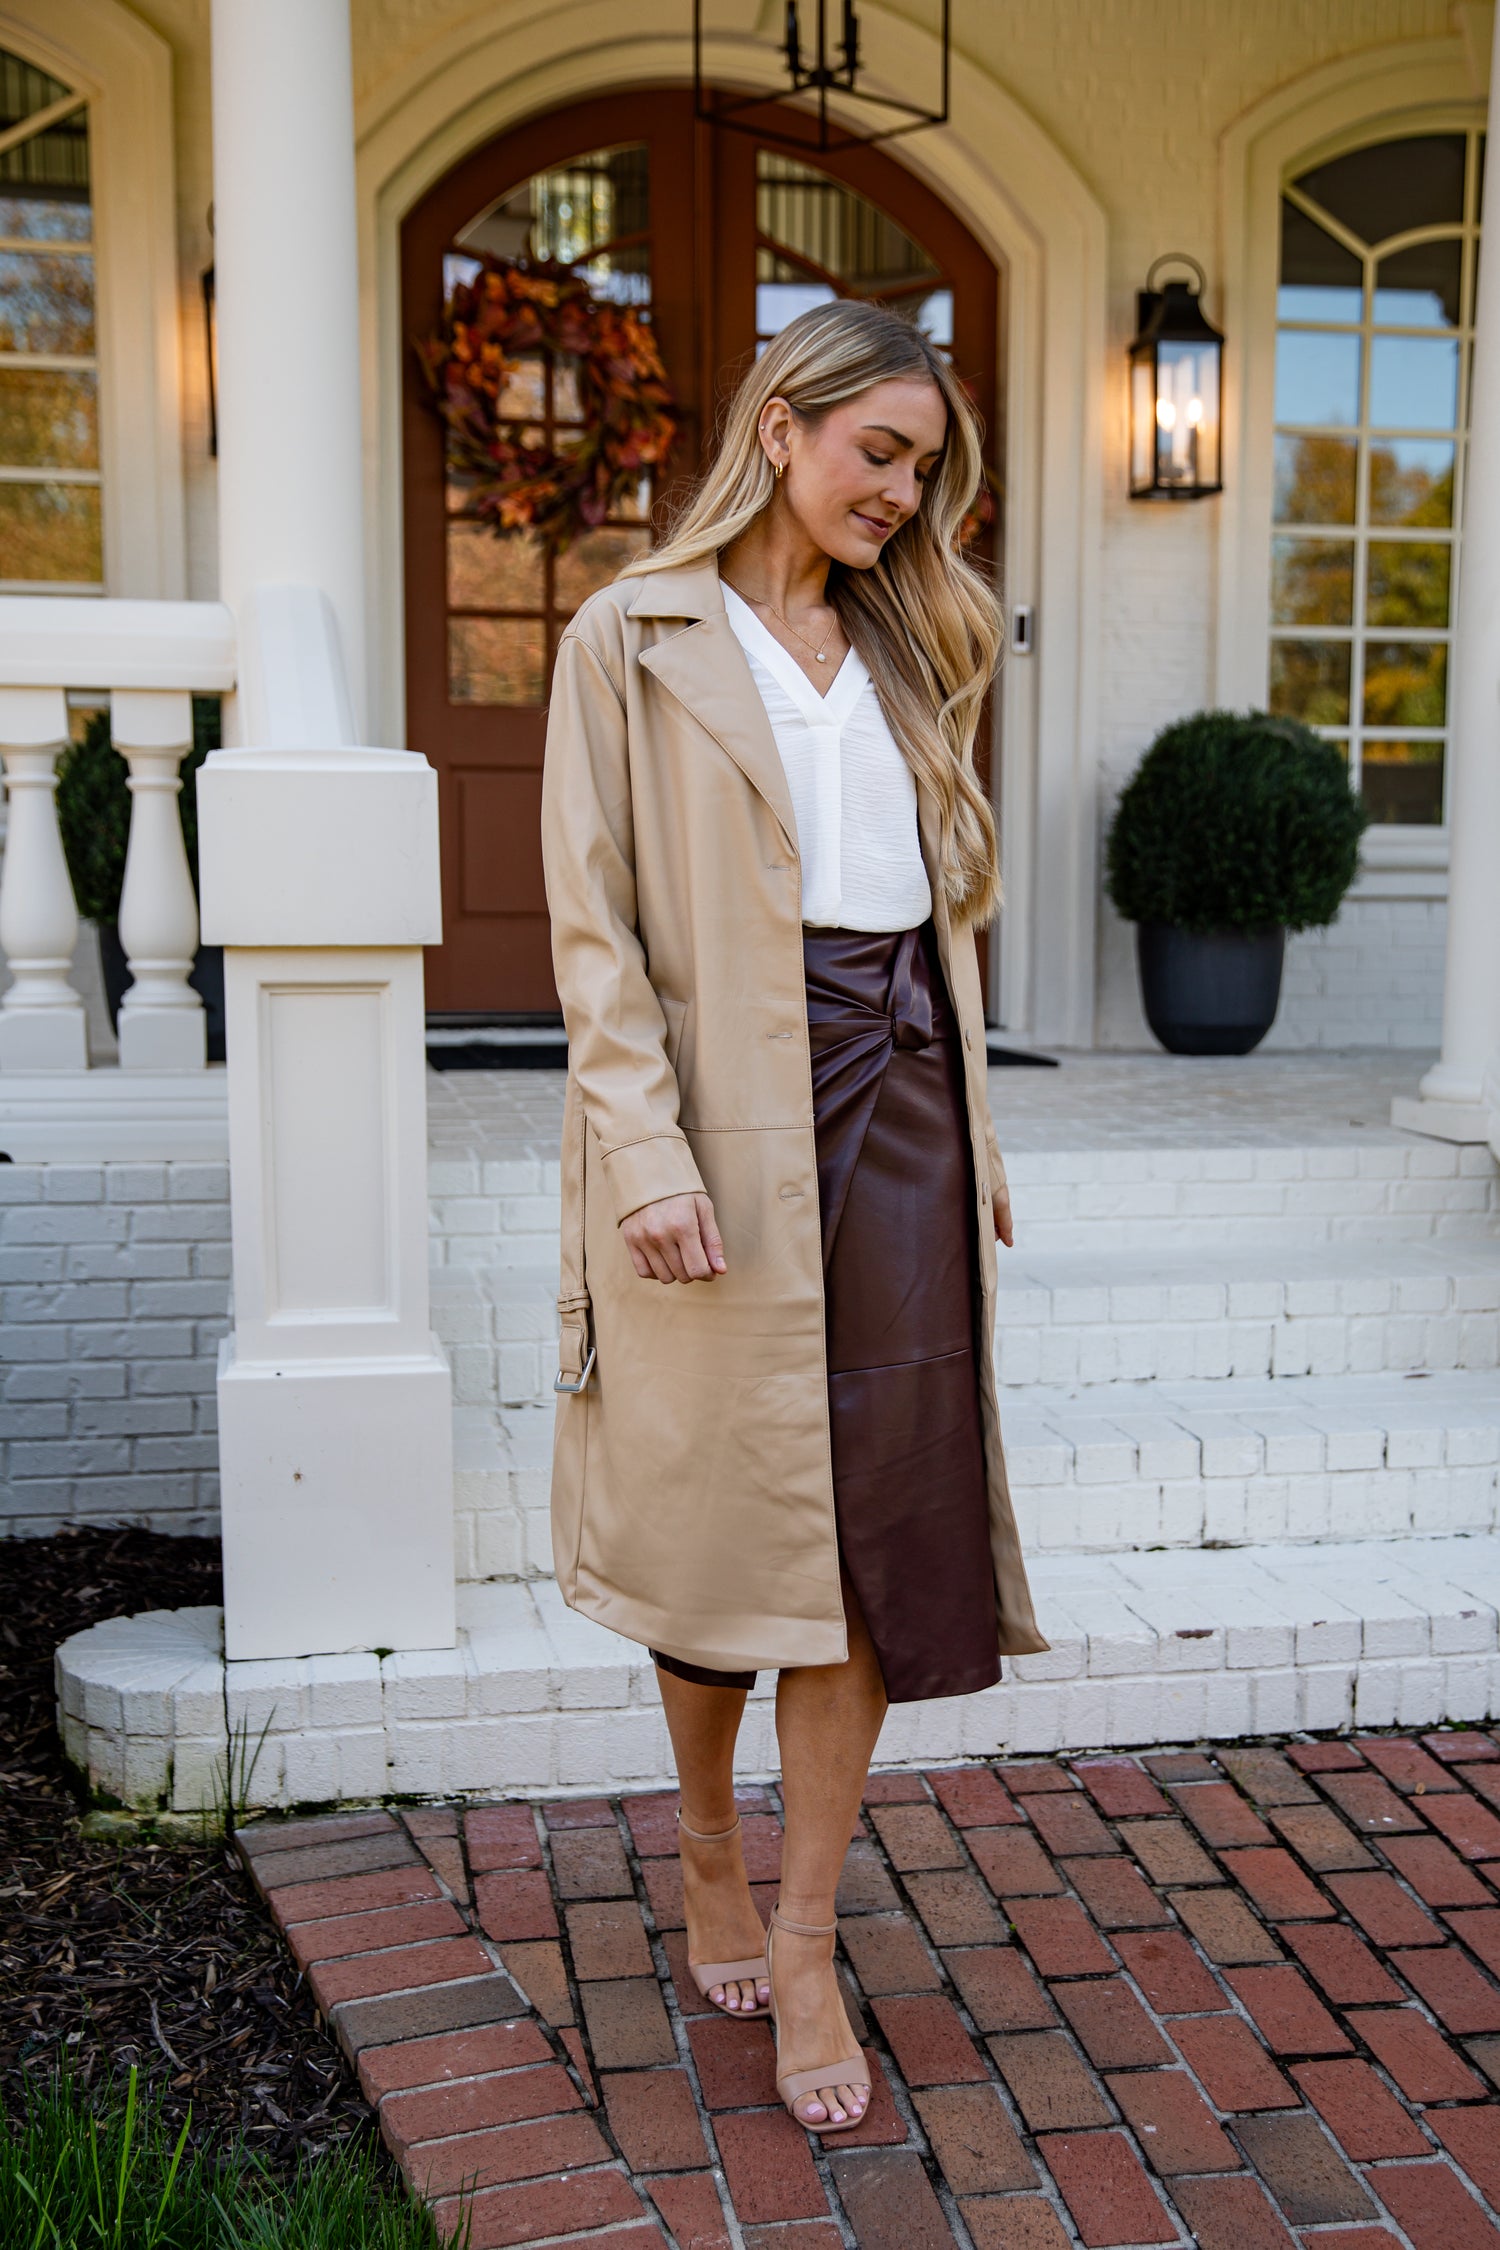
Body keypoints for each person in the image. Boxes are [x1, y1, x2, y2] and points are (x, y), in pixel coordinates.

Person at [540, 298, 1046, 2137]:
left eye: (923, 468)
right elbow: (590, 931)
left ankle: (815, 1931)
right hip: (722, 1111)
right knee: (720, 1514)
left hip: (899, 1092)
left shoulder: (925, 648)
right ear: (781, 425)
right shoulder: (630, 638)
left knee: (881, 1532)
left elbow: (947, 908)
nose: (904, 498)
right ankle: (701, 1844)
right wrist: (644, 1150)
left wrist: (972, 1119)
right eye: (878, 455)